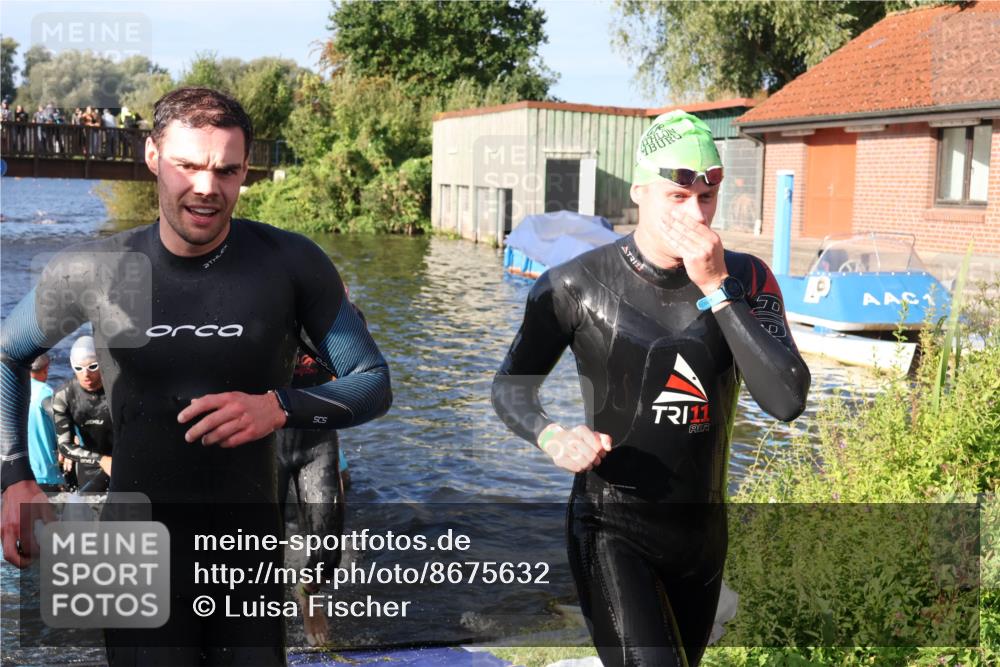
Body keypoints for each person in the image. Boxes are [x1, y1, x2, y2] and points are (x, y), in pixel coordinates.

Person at [0, 86, 392, 665]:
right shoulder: (97, 268)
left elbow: (373, 379)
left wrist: (278, 407)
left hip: (245, 549)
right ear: (153, 156)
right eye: (187, 165)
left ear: (245, 169)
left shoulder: (288, 263)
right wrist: (15, 478)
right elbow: (8, 355)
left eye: (226, 171)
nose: (207, 188)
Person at [492, 110, 810, 667]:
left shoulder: (747, 278)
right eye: (677, 196)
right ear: (639, 191)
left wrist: (718, 288)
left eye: (706, 197)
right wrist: (552, 436)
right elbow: (510, 388)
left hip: (701, 537)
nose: (695, 215)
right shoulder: (572, 285)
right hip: (611, 529)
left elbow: (786, 400)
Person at [52, 336, 113, 493]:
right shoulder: (64, 395)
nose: (86, 374)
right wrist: (101, 460)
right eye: (78, 368)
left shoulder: (117, 390)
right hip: (90, 463)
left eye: (92, 367)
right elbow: (64, 446)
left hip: (123, 461)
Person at [26, 353, 64, 492]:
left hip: (13, 475)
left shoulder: (9, 389)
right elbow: (61, 420)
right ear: (46, 369)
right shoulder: (44, 392)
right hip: (45, 475)